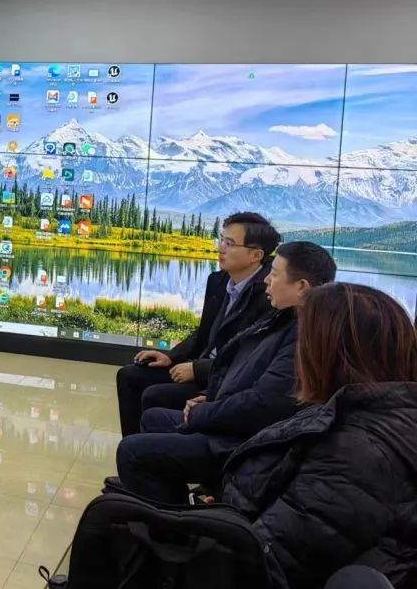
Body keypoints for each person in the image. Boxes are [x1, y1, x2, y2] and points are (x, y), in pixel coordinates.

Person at [222, 283, 417, 589]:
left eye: (304, 339)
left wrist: (216, 524)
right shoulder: (367, 414)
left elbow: (267, 561)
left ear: (331, 353)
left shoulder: (356, 452)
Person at [114, 241, 336, 503]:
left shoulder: (305, 337)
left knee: (132, 451)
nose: (267, 279)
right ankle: (173, 501)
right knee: (152, 418)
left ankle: (172, 520)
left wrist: (204, 412)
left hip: (248, 445)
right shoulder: (284, 318)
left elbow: (262, 404)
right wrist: (212, 397)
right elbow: (245, 370)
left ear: (301, 286)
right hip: (237, 426)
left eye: (275, 274)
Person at [116, 212, 280, 436]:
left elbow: (249, 358)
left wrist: (197, 370)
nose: (220, 248)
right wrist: (172, 356)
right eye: (221, 240)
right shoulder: (219, 280)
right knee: (129, 376)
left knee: (155, 395)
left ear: (255, 255)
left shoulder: (269, 295)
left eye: (229, 243)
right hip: (204, 365)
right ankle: (133, 448)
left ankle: (154, 451)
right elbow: (204, 331)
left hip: (227, 379)